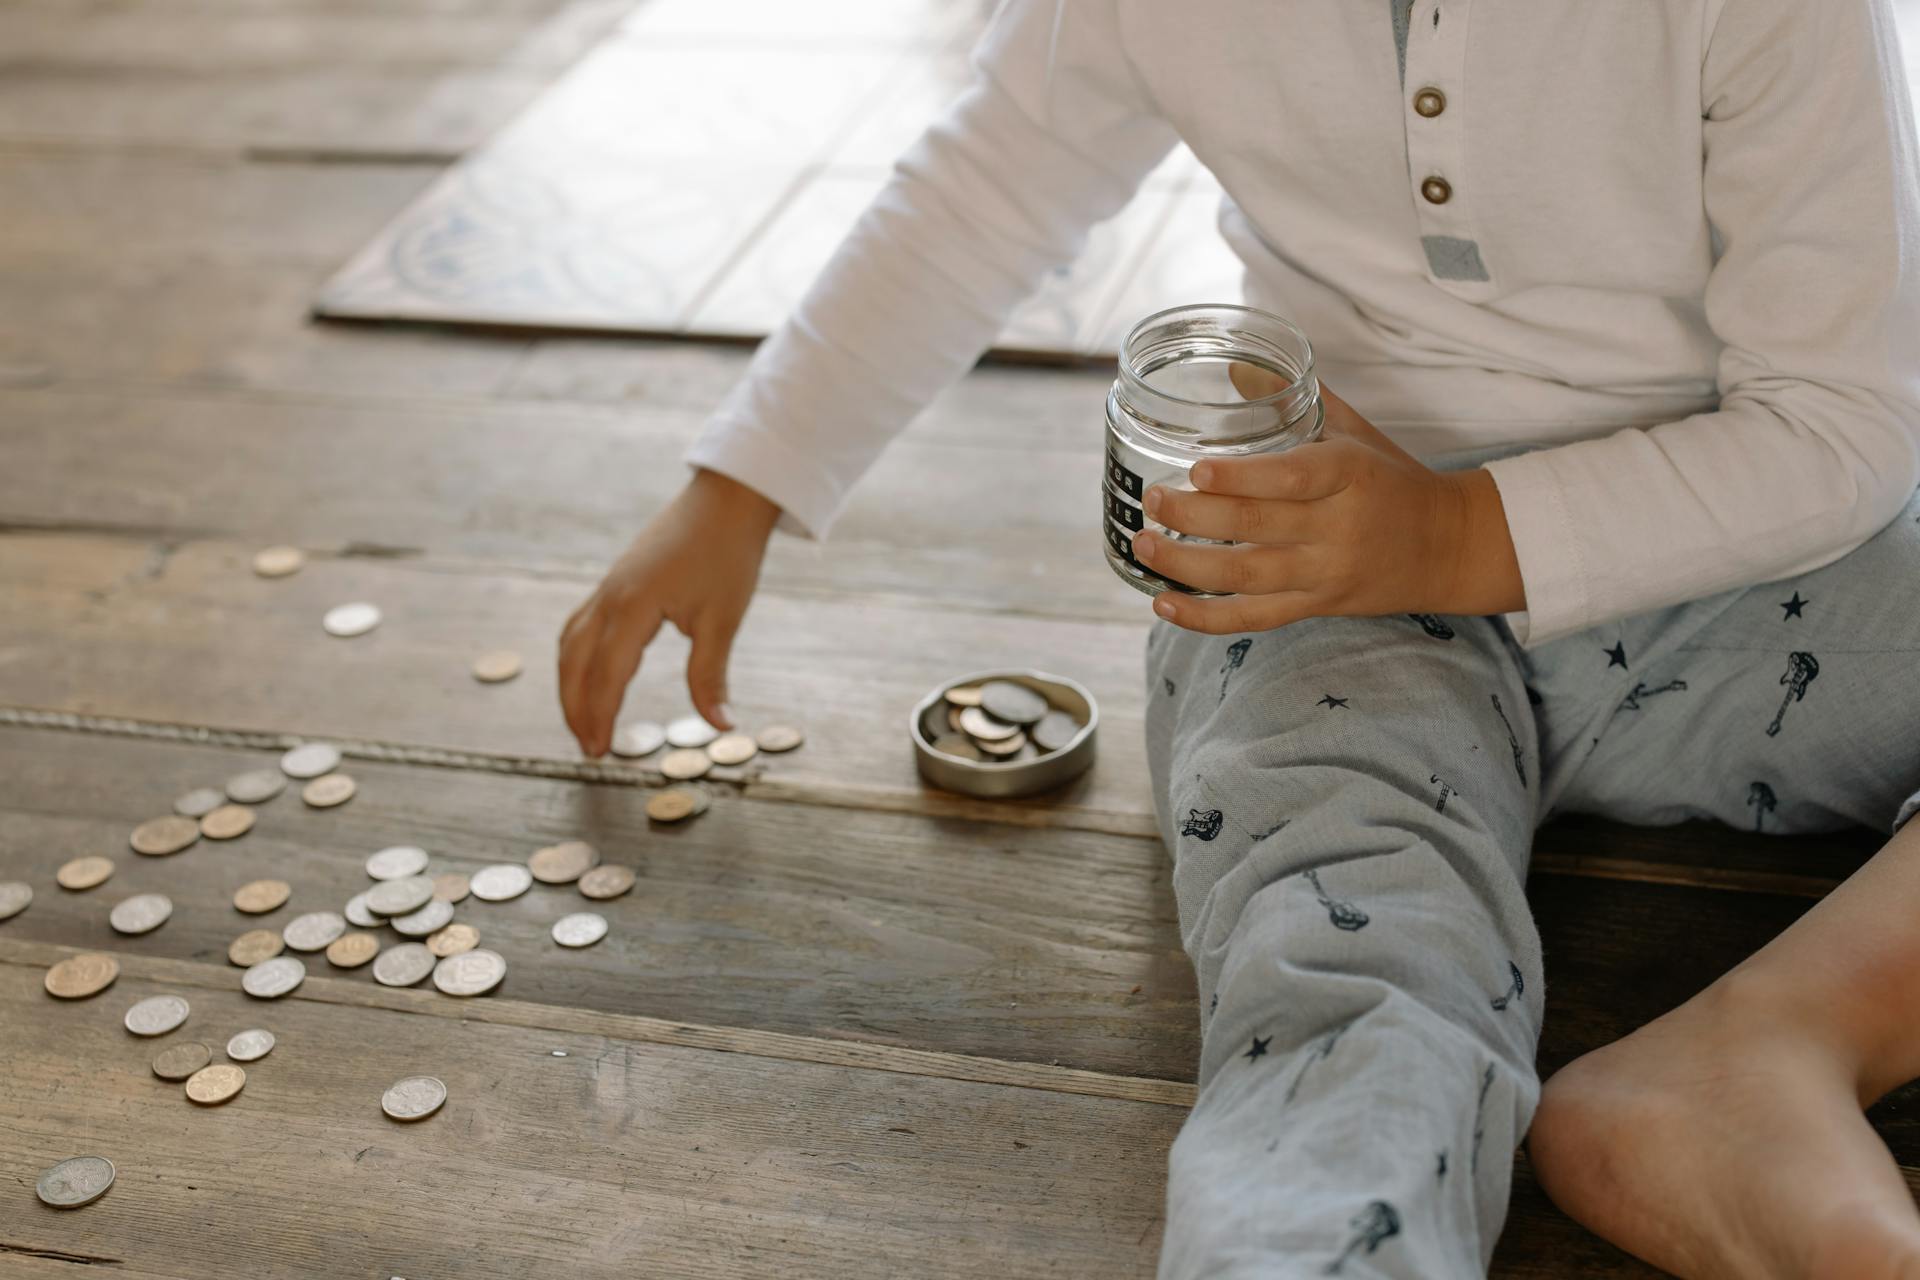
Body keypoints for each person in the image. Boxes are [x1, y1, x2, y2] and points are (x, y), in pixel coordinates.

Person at [558, 0, 1920, 1274]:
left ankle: (1774, 1042)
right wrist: (741, 486)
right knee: (1348, 966)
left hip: (1736, 570)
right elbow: (992, 177)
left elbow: (1842, 425)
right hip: (1311, 581)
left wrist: (1456, 535)